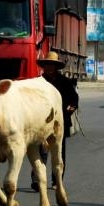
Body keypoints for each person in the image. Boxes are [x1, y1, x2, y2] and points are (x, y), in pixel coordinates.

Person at [31, 51, 79, 192]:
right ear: (44, 66)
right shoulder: (38, 83)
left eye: (52, 65)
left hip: (60, 121)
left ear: (56, 67)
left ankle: (57, 180)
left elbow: (74, 98)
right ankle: (37, 179)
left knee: (58, 152)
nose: (49, 68)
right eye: (47, 65)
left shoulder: (64, 82)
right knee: (40, 151)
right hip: (41, 122)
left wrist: (72, 107)